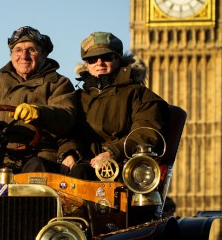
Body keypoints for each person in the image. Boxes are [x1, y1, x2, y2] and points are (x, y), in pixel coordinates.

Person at [0, 25, 77, 177]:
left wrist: (39, 112)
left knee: (36, 172)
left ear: (43, 54)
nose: (24, 56)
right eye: (18, 50)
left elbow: (66, 116)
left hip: (38, 156)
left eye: (31, 50)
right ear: (11, 55)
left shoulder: (58, 83)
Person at [60, 31, 170, 180]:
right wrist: (70, 153)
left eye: (106, 57)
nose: (99, 63)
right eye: (92, 59)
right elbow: (67, 132)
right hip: (85, 166)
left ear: (118, 59)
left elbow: (145, 133)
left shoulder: (139, 94)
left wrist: (112, 153)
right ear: (86, 64)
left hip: (125, 167)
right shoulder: (77, 97)